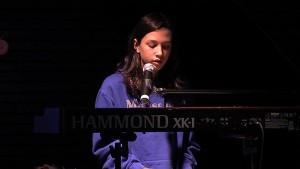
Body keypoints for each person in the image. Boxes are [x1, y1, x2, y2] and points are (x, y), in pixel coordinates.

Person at [92, 11, 200, 169]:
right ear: (136, 45)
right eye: (152, 45)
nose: (160, 53)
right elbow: (104, 145)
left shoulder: (180, 89)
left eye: (166, 47)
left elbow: (190, 145)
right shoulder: (113, 87)